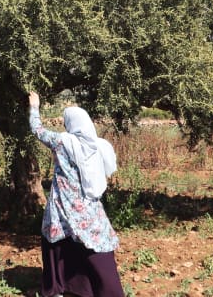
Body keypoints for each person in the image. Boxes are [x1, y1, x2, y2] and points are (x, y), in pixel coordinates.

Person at [28, 91, 124, 297]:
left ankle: (57, 288)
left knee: (55, 241)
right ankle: (91, 288)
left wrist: (34, 106)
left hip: (63, 204)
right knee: (95, 245)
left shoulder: (63, 142)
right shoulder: (98, 145)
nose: (64, 126)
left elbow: (37, 130)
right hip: (89, 208)